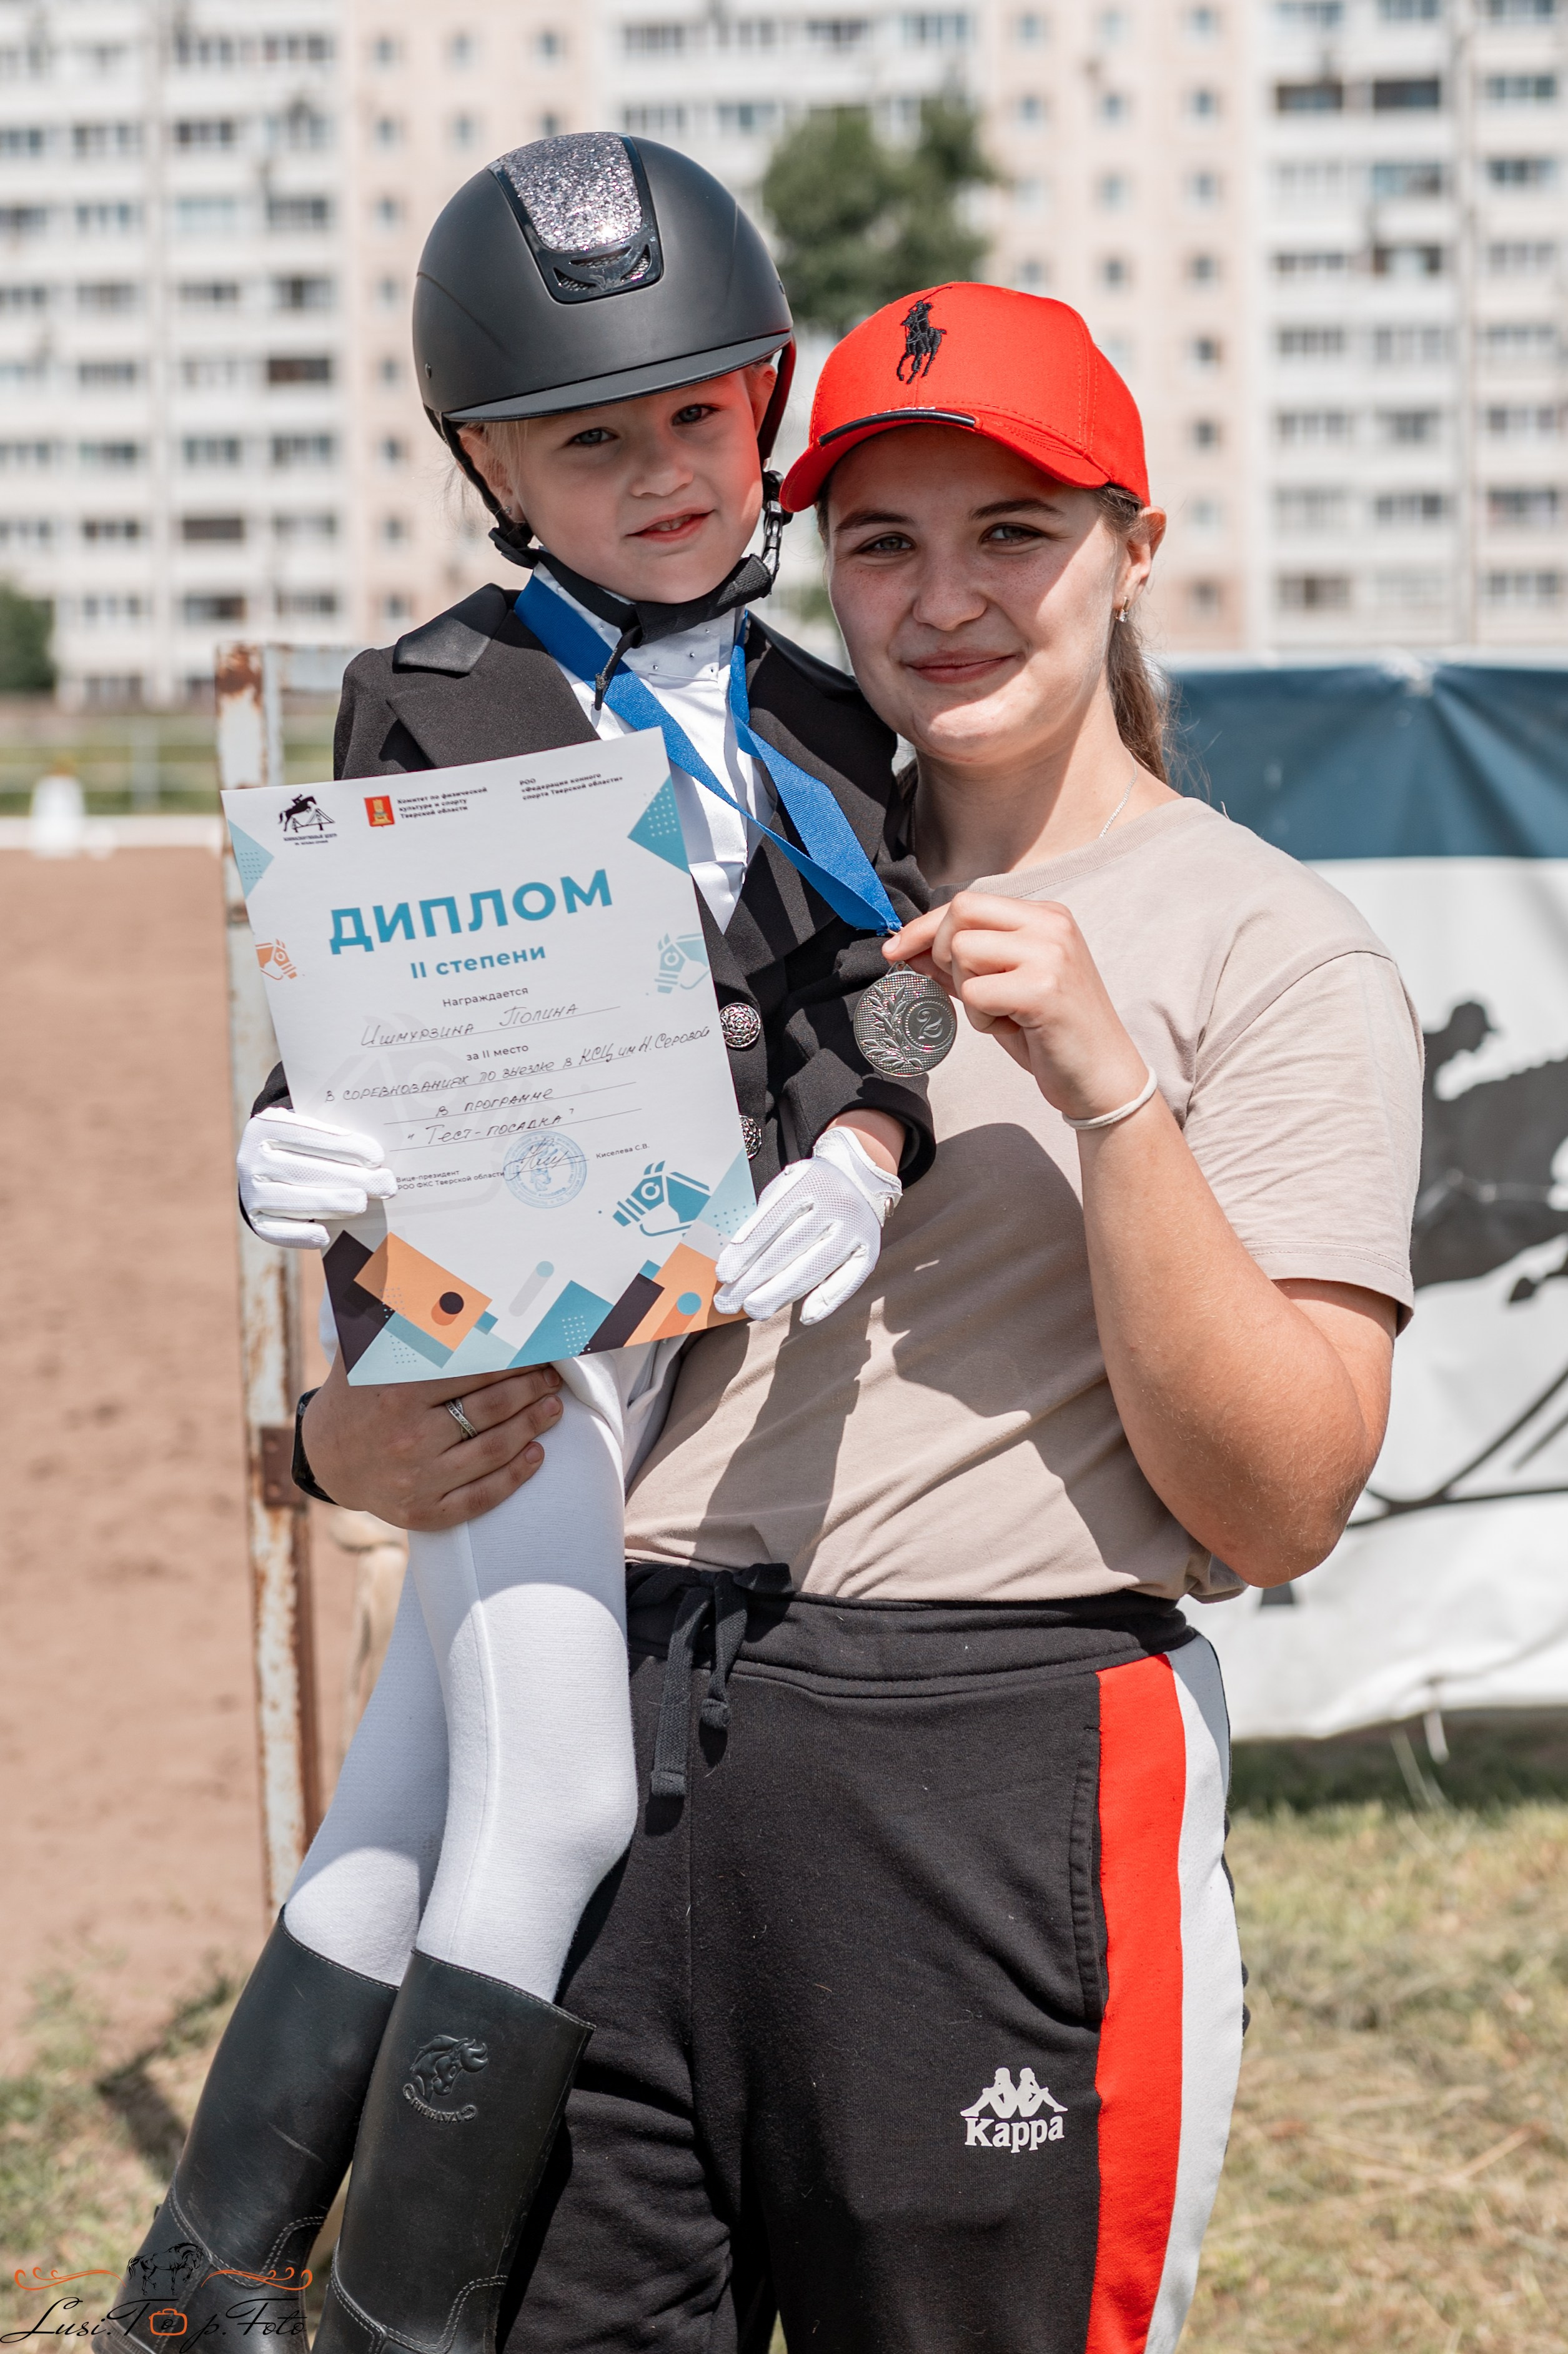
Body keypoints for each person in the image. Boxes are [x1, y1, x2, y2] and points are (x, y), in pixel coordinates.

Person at [292, 285, 1422, 2354]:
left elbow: (1277, 1502)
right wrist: (340, 1432)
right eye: (883, 540)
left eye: (1017, 531)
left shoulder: (1271, 946)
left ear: (1136, 543)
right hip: (606, 1750)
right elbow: (471, 1277)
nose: (946, 598)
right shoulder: (702, 868)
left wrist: (1105, 1086)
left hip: (987, 1777)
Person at [103, 137, 938, 2354]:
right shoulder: (436, 694)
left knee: (403, 1791)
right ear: (493, 461)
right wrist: (297, 1143)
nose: (665, 472)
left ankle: (204, 2289)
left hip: (697, 1315)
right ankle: (406, 2320)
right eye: (594, 438)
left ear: (763, 398)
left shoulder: (834, 718)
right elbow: (374, 1011)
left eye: (699, 413)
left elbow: (888, 1002)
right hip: (503, 1313)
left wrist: (862, 1145)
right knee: (556, 1791)